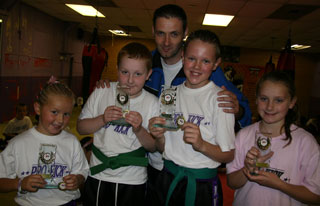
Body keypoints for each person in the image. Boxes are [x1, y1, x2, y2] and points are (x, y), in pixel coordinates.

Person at [148, 29, 235, 206]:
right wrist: (158, 136)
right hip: (168, 176)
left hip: (201, 184)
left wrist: (201, 144)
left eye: (205, 61)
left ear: (216, 64)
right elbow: (163, 148)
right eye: (191, 58)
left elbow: (228, 154)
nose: (196, 66)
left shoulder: (220, 100)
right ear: (182, 56)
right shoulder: (169, 95)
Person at [77, 42, 159, 206]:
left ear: (148, 74)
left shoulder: (152, 102)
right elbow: (80, 127)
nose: (129, 80)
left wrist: (139, 130)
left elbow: (153, 147)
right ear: (117, 69)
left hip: (132, 178)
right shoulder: (102, 91)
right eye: (124, 72)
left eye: (137, 74)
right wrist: (102, 119)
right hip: (98, 172)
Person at [226, 71, 320, 206]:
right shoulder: (244, 135)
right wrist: (247, 168)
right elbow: (232, 182)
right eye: (264, 99)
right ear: (256, 99)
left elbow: (316, 196)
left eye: (279, 100)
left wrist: (279, 184)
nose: (270, 107)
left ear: (292, 102)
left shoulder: (305, 142)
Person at [0, 76, 89, 206]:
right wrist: (19, 183)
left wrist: (77, 179)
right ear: (37, 108)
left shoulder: (72, 142)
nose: (60, 120)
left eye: (66, 114)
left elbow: (83, 171)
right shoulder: (18, 144)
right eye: (54, 112)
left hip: (66, 203)